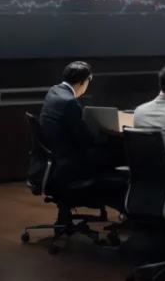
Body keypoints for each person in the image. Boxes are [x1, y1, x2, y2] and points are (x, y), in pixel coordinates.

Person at [37, 61, 126, 208]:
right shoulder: (70, 102)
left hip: (53, 158)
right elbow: (85, 141)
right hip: (66, 163)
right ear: (84, 81)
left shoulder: (54, 91)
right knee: (118, 155)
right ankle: (118, 203)